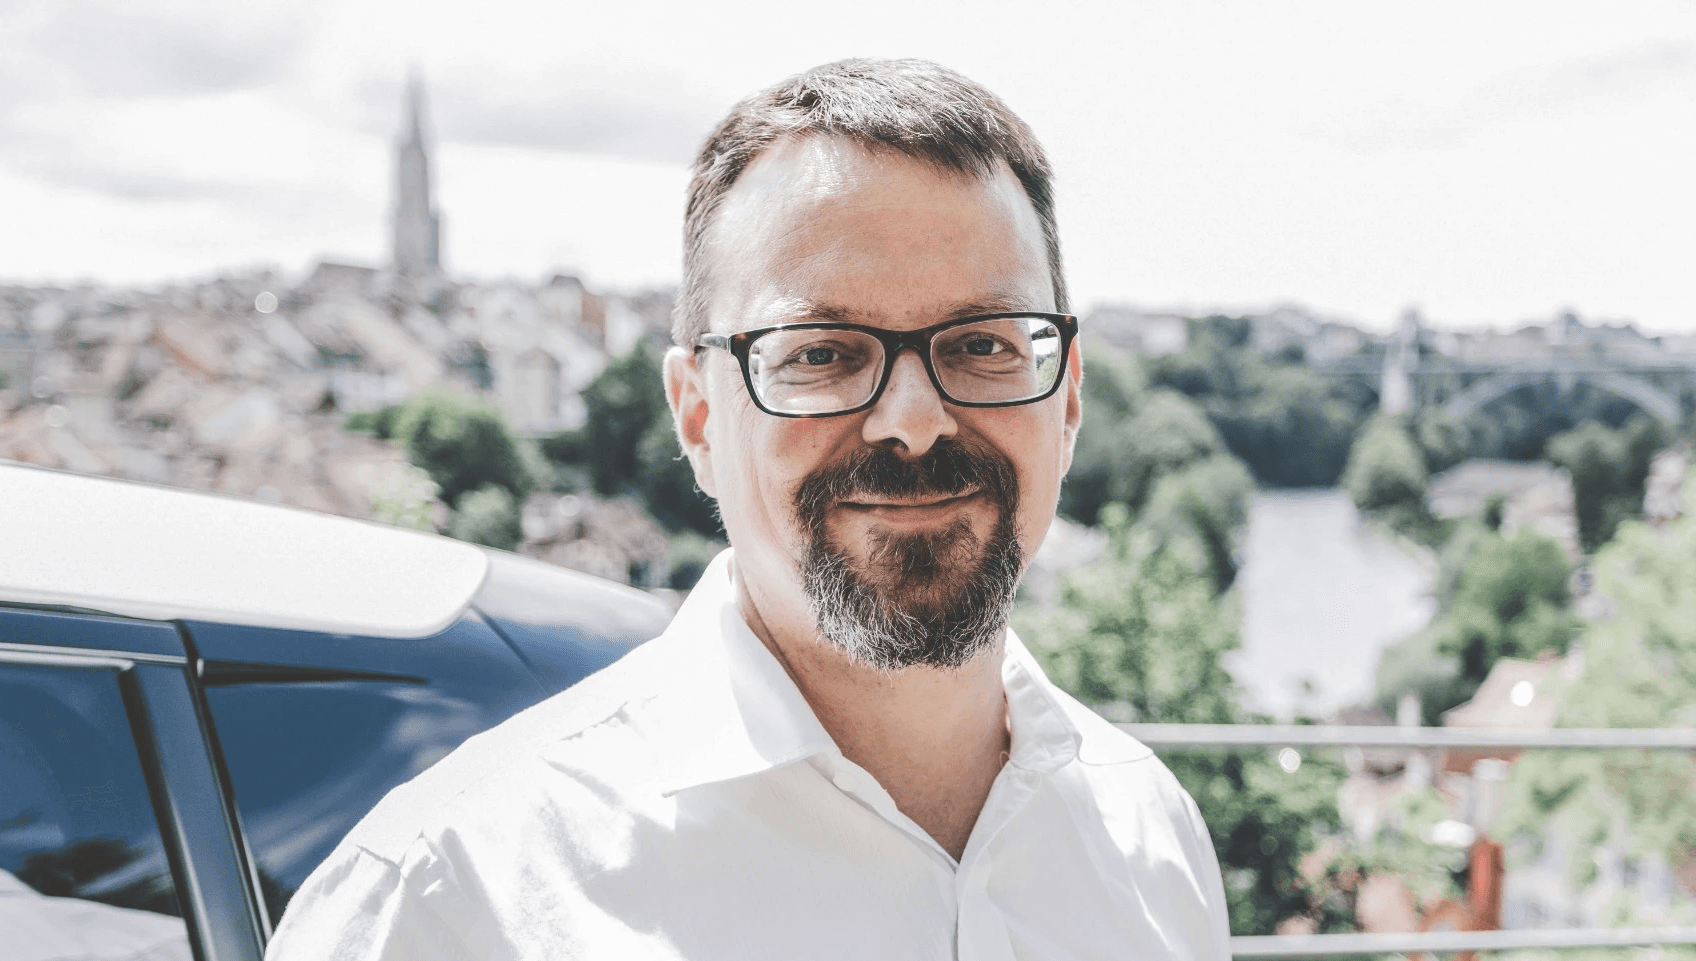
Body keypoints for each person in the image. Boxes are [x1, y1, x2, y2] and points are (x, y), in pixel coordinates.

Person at [267, 58, 1230, 960]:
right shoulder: (450, 898)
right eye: (820, 352)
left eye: (984, 344)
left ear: (1065, 401)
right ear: (696, 413)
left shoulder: (1150, 833)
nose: (914, 422)